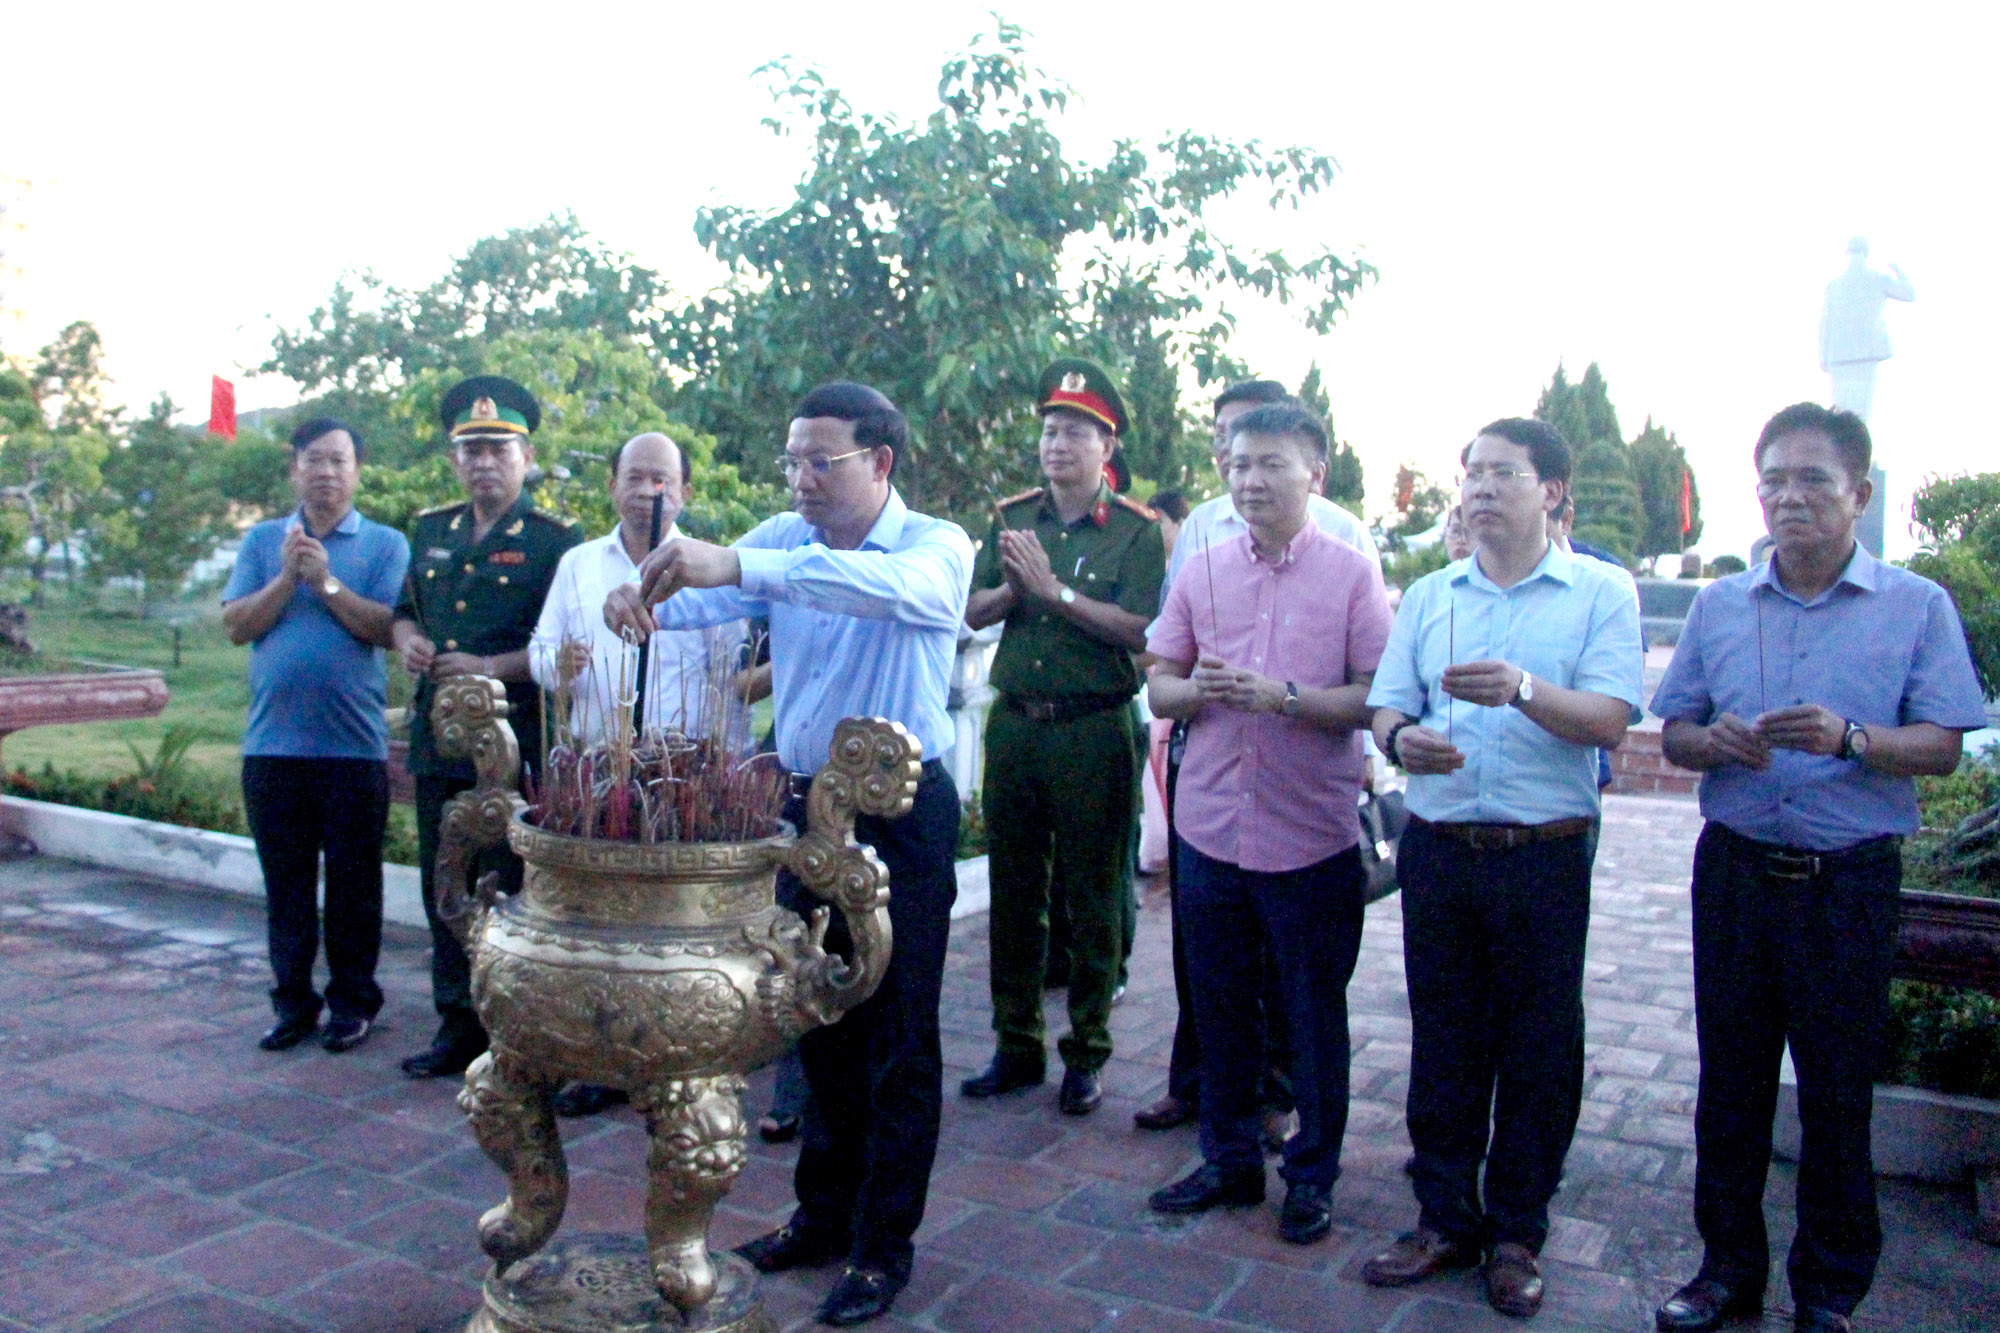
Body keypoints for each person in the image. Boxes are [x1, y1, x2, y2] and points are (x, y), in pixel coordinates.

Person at [604, 381, 971, 1328]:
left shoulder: (936, 546)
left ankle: (884, 1246)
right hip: (803, 807)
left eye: (821, 462)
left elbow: (887, 593)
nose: (801, 479)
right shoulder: (782, 537)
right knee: (818, 1019)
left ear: (879, 463)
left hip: (898, 811)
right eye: (793, 461)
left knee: (897, 1032)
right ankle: (822, 1213)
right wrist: (642, 595)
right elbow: (705, 601)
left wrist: (752, 564)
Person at [1649, 404, 1984, 1333]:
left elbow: (1946, 746)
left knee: (1836, 1094)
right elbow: (1670, 729)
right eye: (1774, 481)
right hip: (1736, 874)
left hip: (1847, 884)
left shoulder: (1917, 606)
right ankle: (1725, 1271)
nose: (1789, 498)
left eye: (1813, 481)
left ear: (1860, 494)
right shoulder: (1720, 604)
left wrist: (1854, 738)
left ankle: (1830, 1289)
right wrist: (1703, 739)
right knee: (1732, 1084)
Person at [1362, 417, 1643, 1318]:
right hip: (1440, 848)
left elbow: (1608, 720)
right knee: (1444, 1036)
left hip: (1544, 851)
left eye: (1504, 474)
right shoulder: (1430, 595)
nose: (1480, 489)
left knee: (1538, 1044)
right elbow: (1384, 711)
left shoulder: (1600, 592)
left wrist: (1523, 689)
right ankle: (1443, 1216)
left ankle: (1517, 1228)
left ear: (1553, 491)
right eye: (1472, 474)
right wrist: (1405, 737)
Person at [1144, 402, 1392, 1244]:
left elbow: (1374, 698)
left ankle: (1312, 1175)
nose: (1250, 479)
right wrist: (1201, 690)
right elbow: (1160, 685)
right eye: (1240, 462)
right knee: (1219, 1008)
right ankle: (1228, 1159)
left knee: (1312, 1018)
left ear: (1314, 474)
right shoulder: (1203, 565)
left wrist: (1285, 698)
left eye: (1271, 464)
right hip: (1211, 825)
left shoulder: (1352, 573)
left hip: (1308, 836)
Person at [960, 358, 1164, 1117]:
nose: (1058, 445)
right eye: (1050, 431)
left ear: (1105, 446)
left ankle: (1087, 1048)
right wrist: (1017, 587)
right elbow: (975, 611)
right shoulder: (1013, 517)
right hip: (1017, 723)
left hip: (1093, 726)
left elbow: (1143, 629)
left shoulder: (1137, 533)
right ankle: (1017, 1042)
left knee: (1092, 894)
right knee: (1014, 890)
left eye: (1076, 432)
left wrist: (1057, 593)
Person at [528, 429, 745, 1119]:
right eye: (635, 476)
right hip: (602, 765)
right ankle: (608, 1057)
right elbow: (539, 653)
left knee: (674, 928)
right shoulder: (578, 563)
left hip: (682, 771)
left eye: (662, 479)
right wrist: (559, 664)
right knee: (609, 924)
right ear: (613, 485)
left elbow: (733, 673)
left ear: (682, 491)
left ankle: (681, 1052)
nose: (648, 490)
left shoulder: (709, 567)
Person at [391, 375, 580, 1079]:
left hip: (513, 744)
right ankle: (456, 1024)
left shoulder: (554, 540)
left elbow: (562, 648)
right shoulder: (432, 529)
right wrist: (408, 638)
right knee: (445, 878)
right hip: (441, 738)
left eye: (498, 449)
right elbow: (402, 608)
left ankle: (517, 1031)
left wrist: (489, 666)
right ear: (453, 460)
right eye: (470, 450)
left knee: (509, 884)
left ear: (527, 456)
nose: (483, 462)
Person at [222, 418, 410, 1054]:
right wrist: (287, 576)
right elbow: (236, 626)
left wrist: (326, 580)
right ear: (294, 469)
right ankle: (292, 1002)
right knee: (287, 887)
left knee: (355, 884)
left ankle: (352, 1002)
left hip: (352, 749)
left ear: (357, 471)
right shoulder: (262, 541)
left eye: (339, 460)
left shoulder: (385, 544)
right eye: (314, 460)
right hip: (273, 748)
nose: (326, 472)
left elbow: (390, 629)